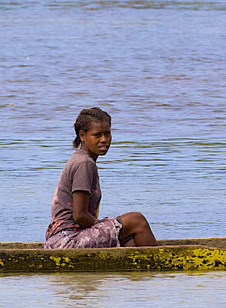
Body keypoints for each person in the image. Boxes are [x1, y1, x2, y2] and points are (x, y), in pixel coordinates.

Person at [45, 107, 159, 249]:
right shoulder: (84, 163)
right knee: (137, 221)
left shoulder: (82, 159)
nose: (104, 140)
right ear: (82, 135)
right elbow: (80, 215)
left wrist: (108, 226)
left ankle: (141, 270)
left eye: (107, 134)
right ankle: (163, 268)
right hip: (68, 241)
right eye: (97, 135)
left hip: (61, 239)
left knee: (130, 240)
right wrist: (103, 225)